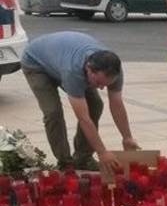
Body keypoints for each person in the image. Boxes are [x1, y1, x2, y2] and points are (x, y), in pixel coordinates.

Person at [20, 32, 140, 177]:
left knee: (95, 104)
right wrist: (102, 152)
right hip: (36, 63)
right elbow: (84, 118)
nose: (101, 88)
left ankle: (83, 158)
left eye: (105, 85)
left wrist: (127, 137)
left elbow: (117, 104)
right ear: (88, 68)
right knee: (53, 112)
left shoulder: (115, 71)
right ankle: (65, 162)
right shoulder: (73, 71)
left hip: (59, 57)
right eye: (98, 83)